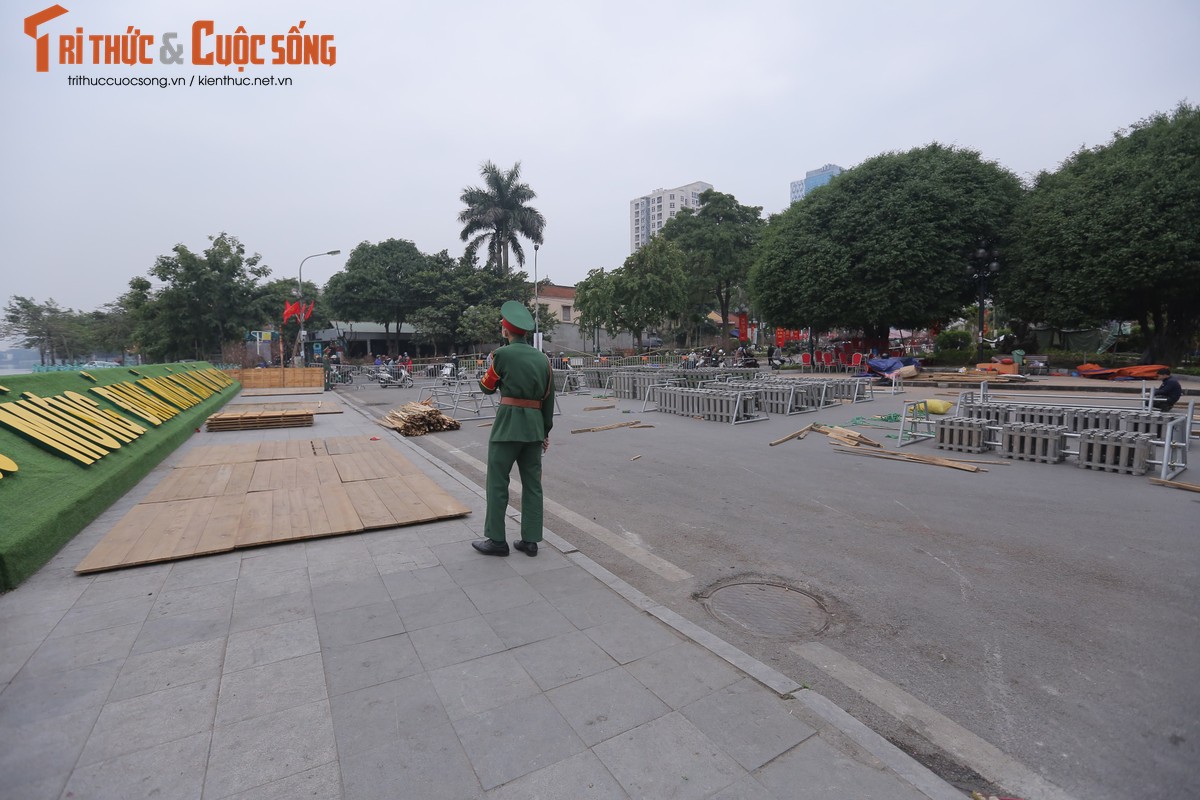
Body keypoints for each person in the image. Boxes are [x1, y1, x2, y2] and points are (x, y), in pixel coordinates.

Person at [472, 301, 555, 558]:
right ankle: (530, 540)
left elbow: (486, 387)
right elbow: (548, 400)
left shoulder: (502, 355)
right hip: (534, 428)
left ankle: (497, 540)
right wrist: (545, 432)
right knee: (533, 485)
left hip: (507, 427)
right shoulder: (544, 360)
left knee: (497, 482)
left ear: (507, 331)